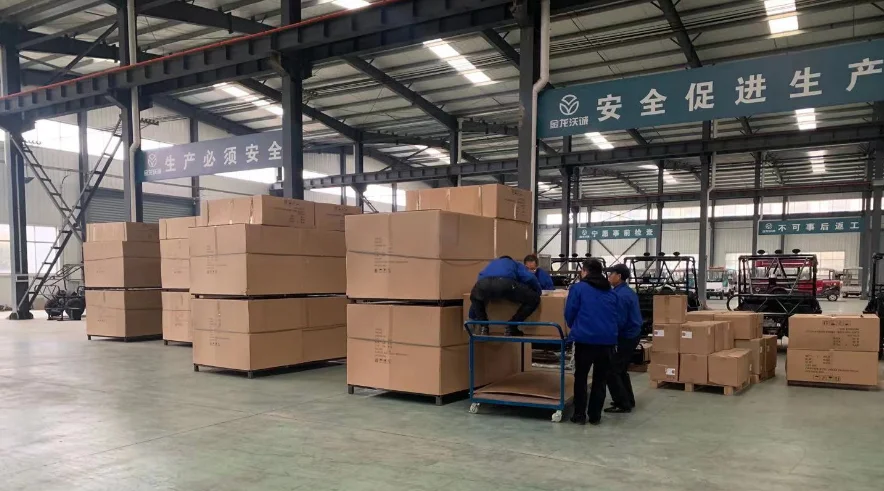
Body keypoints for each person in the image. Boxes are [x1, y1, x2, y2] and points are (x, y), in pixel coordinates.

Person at [565, 258, 620, 425]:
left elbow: (570, 312)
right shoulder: (610, 291)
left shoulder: (578, 288)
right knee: (600, 379)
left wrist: (575, 327)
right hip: (607, 341)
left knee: (581, 377)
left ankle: (579, 415)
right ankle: (595, 416)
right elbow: (615, 315)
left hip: (585, 339)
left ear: (585, 271)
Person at [469, 256, 542, 336]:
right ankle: (511, 326)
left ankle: (484, 327)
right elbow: (530, 278)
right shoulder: (514, 263)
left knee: (476, 297)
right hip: (505, 283)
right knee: (534, 299)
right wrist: (538, 291)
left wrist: (471, 316)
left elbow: (479, 287)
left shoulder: (492, 264)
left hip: (482, 284)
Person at [604, 264, 642, 414]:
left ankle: (622, 403)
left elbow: (619, 320)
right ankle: (628, 399)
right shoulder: (625, 291)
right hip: (632, 333)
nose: (608, 277)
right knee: (621, 369)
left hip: (626, 335)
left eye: (611, 274)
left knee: (612, 370)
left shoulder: (620, 295)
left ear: (618, 276)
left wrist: (607, 335)